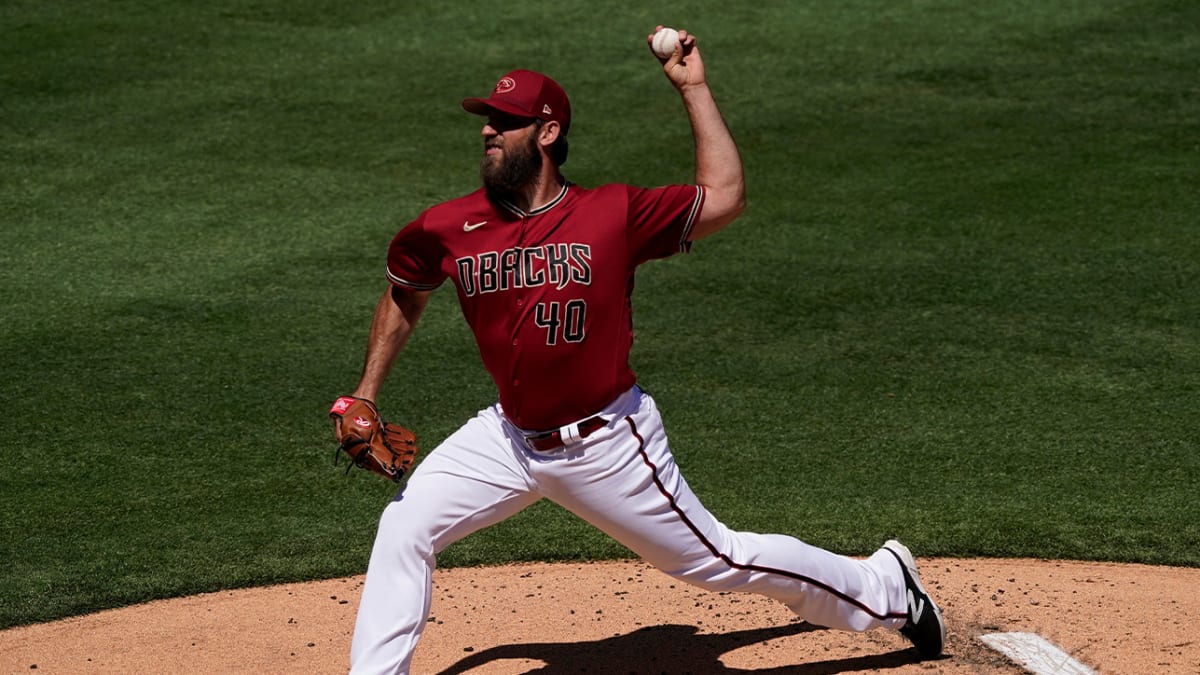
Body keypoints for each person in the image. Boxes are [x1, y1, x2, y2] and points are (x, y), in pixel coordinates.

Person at [334, 27, 945, 674]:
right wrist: (367, 390)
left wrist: (694, 88)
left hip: (606, 442)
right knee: (405, 528)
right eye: (487, 120)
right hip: (507, 437)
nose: (488, 131)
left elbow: (725, 198)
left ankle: (886, 586)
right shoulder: (448, 225)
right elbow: (406, 291)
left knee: (721, 561)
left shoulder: (612, 213)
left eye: (505, 122)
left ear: (546, 134)